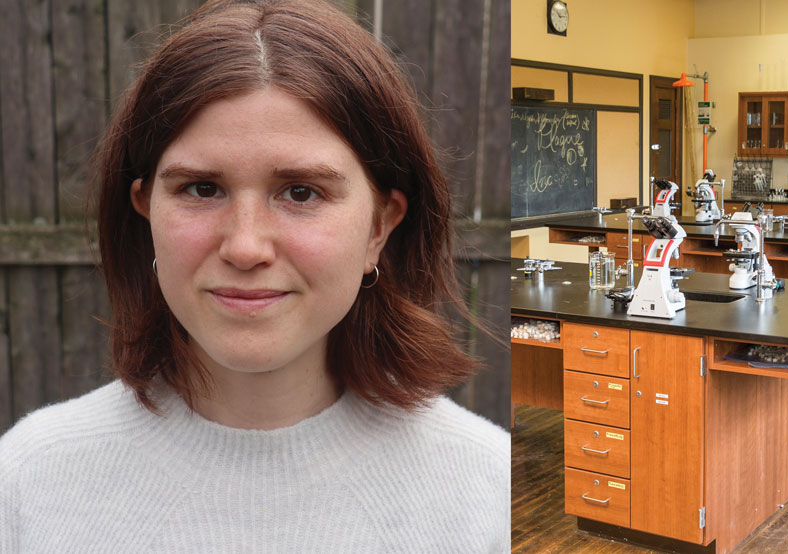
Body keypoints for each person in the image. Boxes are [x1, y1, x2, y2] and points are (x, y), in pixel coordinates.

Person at [0, 1, 509, 552]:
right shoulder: (30, 482)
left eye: (301, 192)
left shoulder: (489, 494)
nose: (245, 246)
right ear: (146, 210)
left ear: (379, 227)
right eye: (201, 189)